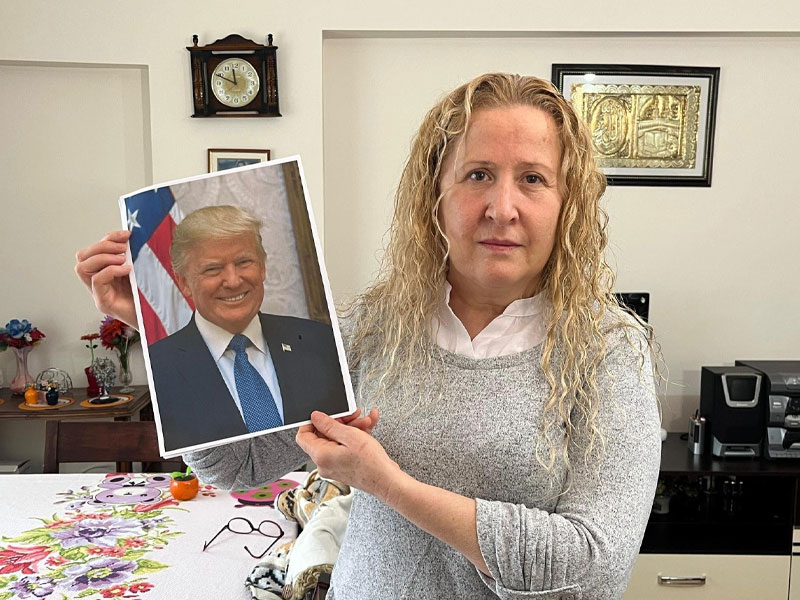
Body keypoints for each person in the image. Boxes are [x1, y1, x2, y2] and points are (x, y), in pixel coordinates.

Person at [76, 73, 661, 599]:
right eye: (478, 174)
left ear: (566, 203)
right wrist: (160, 335)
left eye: (533, 178)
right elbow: (237, 464)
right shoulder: (373, 326)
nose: (502, 208)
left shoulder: (610, 350)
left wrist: (388, 485)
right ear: (435, 195)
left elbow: (594, 572)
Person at [80, 205, 349, 453]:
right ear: (184, 283)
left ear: (263, 267)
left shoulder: (322, 341)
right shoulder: (161, 366)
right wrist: (131, 313)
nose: (233, 281)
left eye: (244, 262)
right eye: (212, 269)